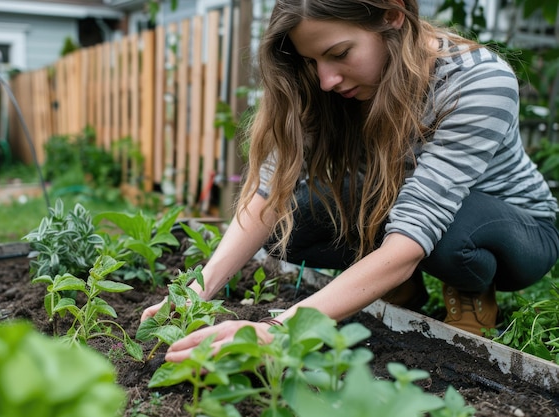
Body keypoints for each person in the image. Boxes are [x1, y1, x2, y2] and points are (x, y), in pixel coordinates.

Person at [142, 0, 559, 362]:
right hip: (401, 210)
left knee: (448, 236)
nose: (326, 79)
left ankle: (469, 287)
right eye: (312, 61)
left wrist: (277, 329)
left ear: (392, 16)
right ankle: (401, 286)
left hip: (516, 228)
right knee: (292, 222)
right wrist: (196, 291)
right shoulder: (326, 86)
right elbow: (268, 195)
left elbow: (416, 229)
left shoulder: (479, 80)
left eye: (339, 53)